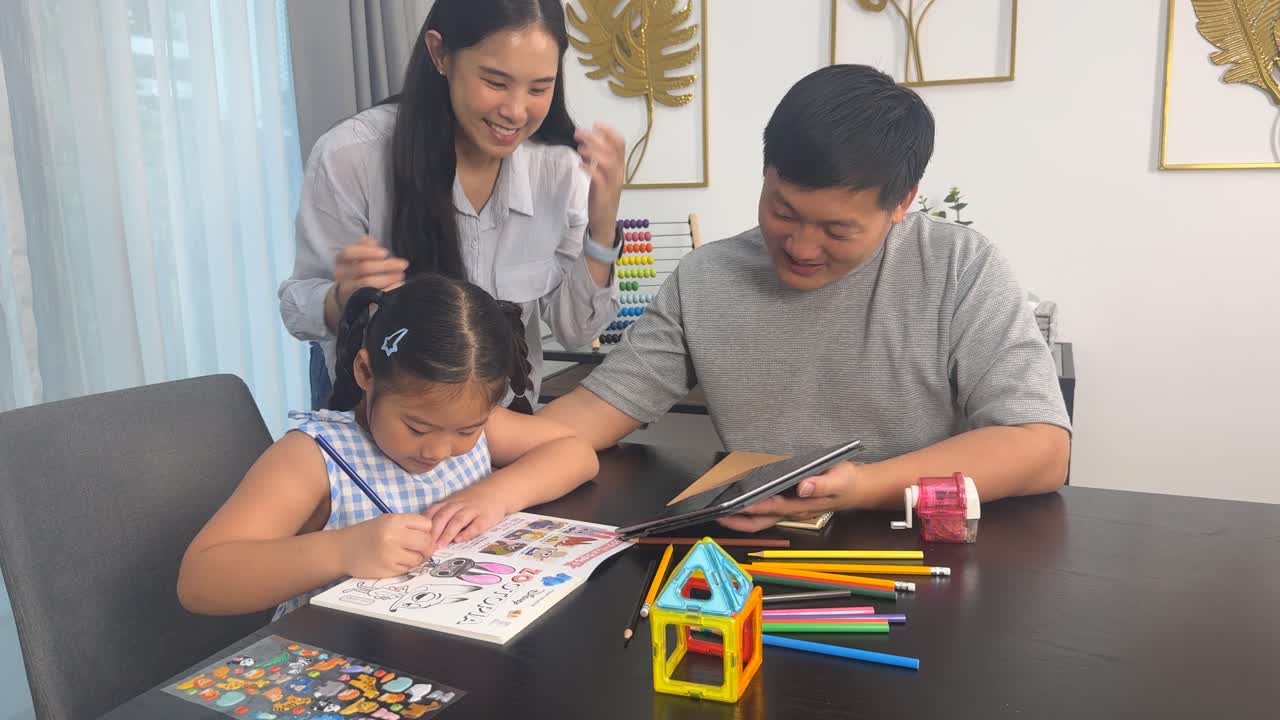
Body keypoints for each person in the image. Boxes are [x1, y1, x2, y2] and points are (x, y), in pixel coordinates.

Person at [539, 65, 1071, 531]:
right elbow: (592, 413)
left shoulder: (959, 267)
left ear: (901, 203)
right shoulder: (706, 277)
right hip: (756, 555)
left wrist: (863, 486)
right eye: (783, 211)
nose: (800, 247)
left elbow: (1042, 448)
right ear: (765, 175)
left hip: (917, 552)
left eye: (837, 230)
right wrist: (465, 435)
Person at [179, 274, 599, 616]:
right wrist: (342, 550)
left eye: (466, 431)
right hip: (339, 670)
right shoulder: (313, 457)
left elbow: (576, 452)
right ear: (366, 371)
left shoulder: (474, 428)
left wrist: (496, 494)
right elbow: (201, 581)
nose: (438, 451)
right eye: (417, 428)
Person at [278, 0, 628, 410]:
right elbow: (297, 308)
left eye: (539, 88)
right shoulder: (351, 156)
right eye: (496, 82)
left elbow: (576, 330)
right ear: (439, 53)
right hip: (381, 431)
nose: (516, 112)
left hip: (500, 431)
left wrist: (602, 226)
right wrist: (342, 299)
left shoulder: (560, 169)